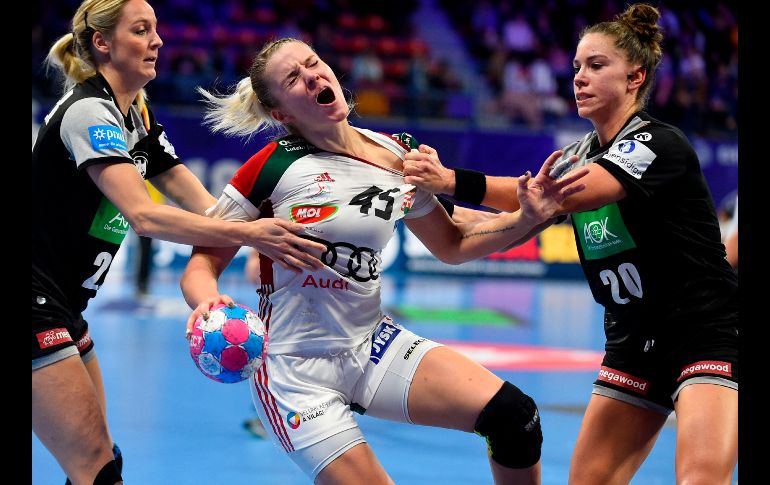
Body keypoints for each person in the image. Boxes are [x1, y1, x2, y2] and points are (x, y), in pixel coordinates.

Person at [180, 37, 588, 484]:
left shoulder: (397, 154)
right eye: (293, 79)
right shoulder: (270, 168)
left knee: (514, 416)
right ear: (281, 115)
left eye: (312, 63)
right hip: (295, 370)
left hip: (373, 344)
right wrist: (208, 302)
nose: (312, 76)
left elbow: (453, 244)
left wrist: (527, 218)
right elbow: (202, 264)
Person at [403, 4, 738, 484]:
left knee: (700, 478)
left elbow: (557, 195)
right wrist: (420, 200)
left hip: (704, 329)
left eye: (597, 66)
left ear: (635, 77)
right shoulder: (580, 154)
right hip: (631, 339)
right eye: (577, 66)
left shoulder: (657, 143)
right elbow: (519, 213)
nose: (579, 77)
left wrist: (450, 179)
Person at [31, 3, 325, 484]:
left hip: (63, 305)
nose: (158, 40)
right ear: (103, 43)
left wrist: (267, 240)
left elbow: (209, 209)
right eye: (141, 30)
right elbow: (144, 215)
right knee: (95, 469)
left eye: (156, 28)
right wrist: (248, 233)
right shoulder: (88, 112)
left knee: (99, 462)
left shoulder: (136, 115)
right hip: (36, 302)